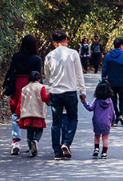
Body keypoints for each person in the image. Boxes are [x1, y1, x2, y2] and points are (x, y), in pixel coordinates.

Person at [44, 30, 87, 160]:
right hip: (70, 92)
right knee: (73, 118)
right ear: (66, 40)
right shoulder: (73, 53)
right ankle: (66, 143)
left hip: (56, 92)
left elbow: (47, 76)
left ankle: (57, 151)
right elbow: (79, 74)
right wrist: (82, 92)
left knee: (56, 123)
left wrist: (50, 89)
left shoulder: (49, 56)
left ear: (53, 43)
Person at [1, 34, 42, 156]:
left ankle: (15, 142)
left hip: (18, 86)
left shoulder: (16, 56)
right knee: (31, 114)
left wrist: (4, 86)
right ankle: (31, 142)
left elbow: (10, 71)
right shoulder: (37, 59)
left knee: (16, 113)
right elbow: (38, 76)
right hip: (31, 87)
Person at [101, 37, 123, 125]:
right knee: (122, 99)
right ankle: (121, 115)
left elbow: (104, 68)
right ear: (121, 46)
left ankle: (115, 117)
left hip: (110, 82)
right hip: (121, 81)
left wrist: (103, 78)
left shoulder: (108, 56)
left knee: (113, 100)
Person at [16, 71, 49, 157]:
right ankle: (36, 141)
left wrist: (18, 114)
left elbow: (20, 102)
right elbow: (44, 98)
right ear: (39, 79)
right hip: (38, 113)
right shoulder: (41, 87)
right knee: (39, 129)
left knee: (29, 132)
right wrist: (51, 95)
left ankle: (31, 150)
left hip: (27, 114)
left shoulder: (24, 89)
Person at [82, 80, 117, 159]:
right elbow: (113, 113)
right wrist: (113, 121)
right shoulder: (110, 101)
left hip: (97, 121)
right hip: (107, 121)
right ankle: (104, 153)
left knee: (97, 135)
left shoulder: (97, 100)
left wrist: (84, 102)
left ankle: (96, 149)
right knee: (105, 137)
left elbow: (90, 108)